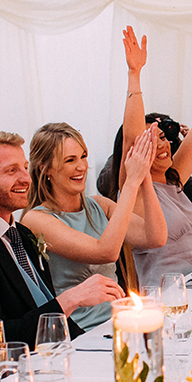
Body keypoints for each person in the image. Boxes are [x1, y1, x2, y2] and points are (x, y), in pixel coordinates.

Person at [0, 130, 124, 382]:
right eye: (11, 171)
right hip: (12, 378)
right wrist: (71, 299)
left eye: (25, 168)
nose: (25, 178)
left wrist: (99, 349)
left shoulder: (21, 233)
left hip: (54, 359)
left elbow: (41, 304)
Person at [21, 123, 164, 328]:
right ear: (45, 168)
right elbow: (106, 252)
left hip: (117, 321)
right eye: (70, 160)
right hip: (81, 330)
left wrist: (145, 176)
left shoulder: (99, 204)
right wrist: (131, 181)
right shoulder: (36, 219)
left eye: (83, 156)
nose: (81, 167)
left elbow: (155, 237)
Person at [125, 22, 192, 290]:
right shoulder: (136, 188)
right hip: (163, 296)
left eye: (164, 137)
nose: (162, 145)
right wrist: (134, 74)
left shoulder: (174, 179)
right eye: (152, 140)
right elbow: (131, 135)